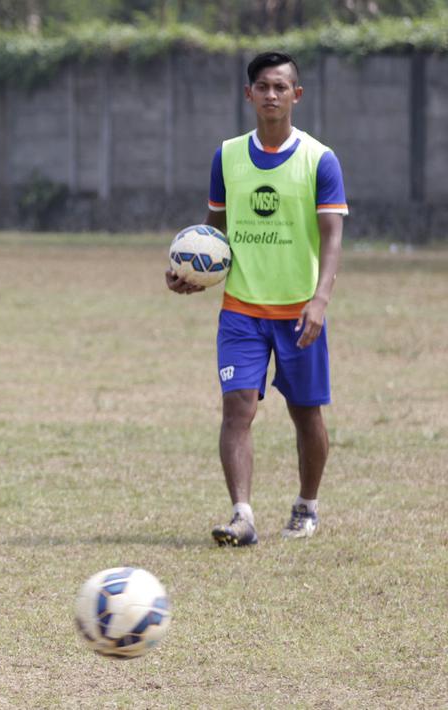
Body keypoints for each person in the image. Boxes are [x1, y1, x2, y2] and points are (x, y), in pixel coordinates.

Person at [166, 51, 347, 547]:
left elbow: (332, 236)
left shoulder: (319, 159)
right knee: (236, 407)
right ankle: (242, 517)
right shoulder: (227, 156)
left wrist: (320, 299)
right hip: (242, 309)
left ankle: (307, 506)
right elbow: (214, 229)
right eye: (262, 86)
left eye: (281, 87)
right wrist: (189, 271)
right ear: (248, 94)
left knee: (306, 411)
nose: (271, 94)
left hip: (298, 310)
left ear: (297, 95)